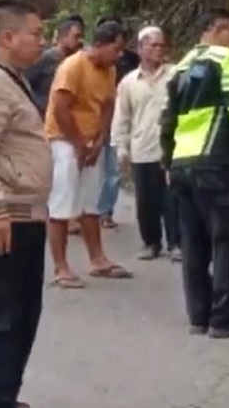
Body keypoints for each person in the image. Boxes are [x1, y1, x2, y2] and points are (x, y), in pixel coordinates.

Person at [161, 8, 229, 338]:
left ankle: (200, 316)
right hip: (216, 160)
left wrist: (168, 161)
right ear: (219, 29)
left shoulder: (180, 67)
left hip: (183, 162)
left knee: (194, 242)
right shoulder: (226, 60)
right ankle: (225, 318)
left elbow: (167, 120)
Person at [0, 0, 51, 408]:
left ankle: (3, 393)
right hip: (9, 216)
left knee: (20, 313)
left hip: (24, 214)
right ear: (8, 37)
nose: (41, 41)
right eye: (35, 33)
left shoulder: (12, 79)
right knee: (6, 317)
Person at [44, 21, 133, 289]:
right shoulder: (73, 67)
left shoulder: (109, 70)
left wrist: (99, 140)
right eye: (116, 49)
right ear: (101, 44)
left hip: (91, 141)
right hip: (64, 140)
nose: (119, 55)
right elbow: (61, 109)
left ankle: (98, 259)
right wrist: (79, 144)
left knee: (90, 202)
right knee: (62, 203)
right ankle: (61, 268)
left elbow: (107, 106)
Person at [111, 26, 181, 261]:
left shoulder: (176, 75)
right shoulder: (129, 83)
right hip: (142, 149)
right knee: (146, 201)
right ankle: (151, 242)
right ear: (140, 48)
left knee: (173, 198)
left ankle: (176, 243)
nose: (158, 50)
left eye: (162, 45)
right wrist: (121, 148)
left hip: (173, 149)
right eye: (153, 45)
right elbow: (122, 117)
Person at [95, 15, 140, 230]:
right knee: (93, 170)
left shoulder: (130, 59)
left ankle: (105, 211)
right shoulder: (86, 62)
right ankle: (85, 211)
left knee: (112, 170)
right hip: (92, 121)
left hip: (117, 118)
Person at [24, 18, 83, 115]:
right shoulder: (47, 58)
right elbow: (26, 80)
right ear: (64, 37)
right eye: (76, 37)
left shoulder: (75, 61)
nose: (80, 41)